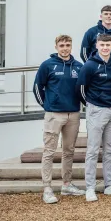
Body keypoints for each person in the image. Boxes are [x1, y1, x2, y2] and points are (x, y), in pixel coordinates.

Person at [33, 35, 85, 204]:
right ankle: (47, 188)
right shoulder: (48, 65)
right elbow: (37, 87)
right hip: (54, 114)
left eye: (68, 45)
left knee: (69, 151)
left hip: (73, 114)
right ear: (56, 47)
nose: (65, 48)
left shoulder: (78, 66)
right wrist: (47, 106)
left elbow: (83, 88)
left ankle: (66, 184)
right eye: (62, 45)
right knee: (49, 151)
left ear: (71, 46)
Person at [76, 34, 111, 202]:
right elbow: (81, 89)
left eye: (108, 45)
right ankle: (90, 187)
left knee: (110, 149)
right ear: (97, 45)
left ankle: (109, 184)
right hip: (96, 110)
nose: (105, 47)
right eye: (102, 44)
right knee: (92, 150)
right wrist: (92, 104)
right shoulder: (89, 66)